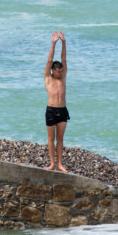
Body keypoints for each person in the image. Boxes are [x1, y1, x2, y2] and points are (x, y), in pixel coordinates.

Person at [43, 31, 69, 173]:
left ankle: (60, 164)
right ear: (53, 71)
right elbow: (49, 60)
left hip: (62, 110)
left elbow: (63, 59)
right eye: (58, 72)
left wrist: (63, 43)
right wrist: (53, 43)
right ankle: (52, 163)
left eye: (62, 71)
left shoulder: (63, 77)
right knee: (51, 138)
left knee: (60, 139)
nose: (61, 73)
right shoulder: (48, 78)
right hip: (51, 110)